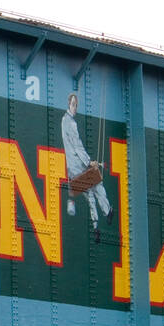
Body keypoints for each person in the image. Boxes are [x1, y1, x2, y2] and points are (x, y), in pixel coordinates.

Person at [61, 93, 112, 243]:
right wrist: (90, 162)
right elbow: (77, 146)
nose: (75, 107)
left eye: (76, 105)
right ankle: (107, 210)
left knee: (90, 197)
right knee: (98, 185)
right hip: (79, 166)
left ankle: (96, 226)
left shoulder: (64, 121)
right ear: (69, 105)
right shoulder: (71, 123)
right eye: (73, 104)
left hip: (72, 169)